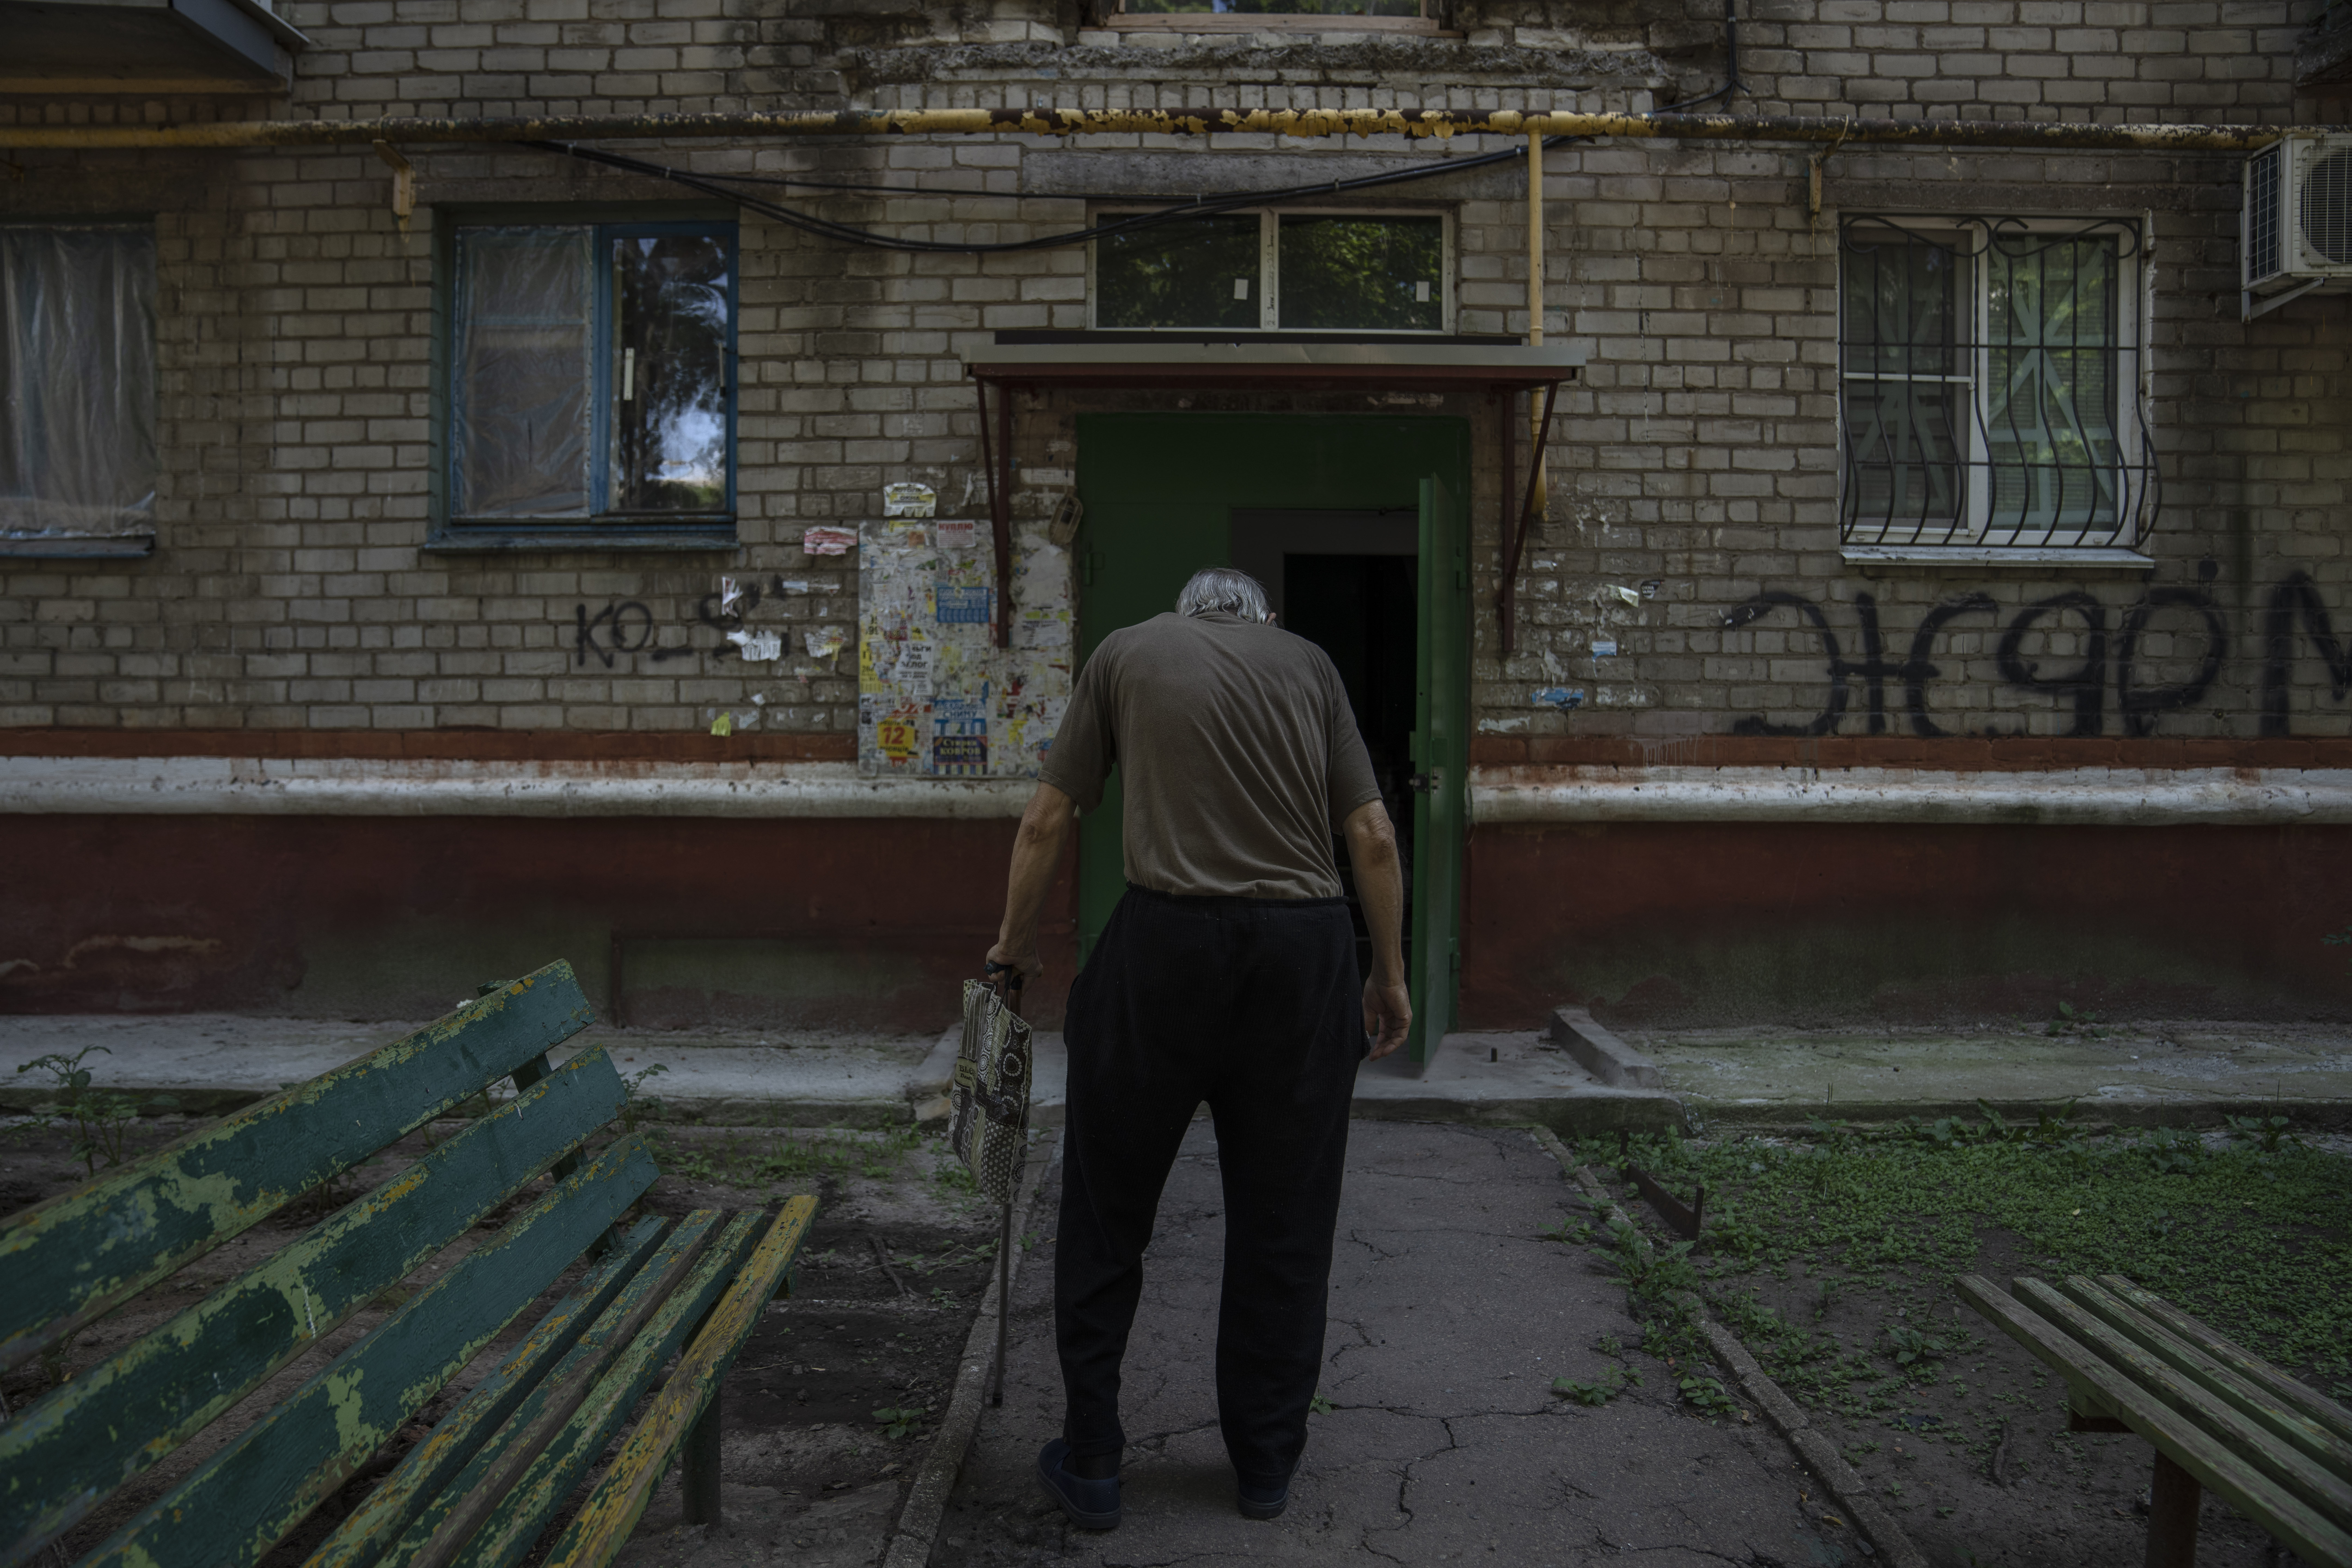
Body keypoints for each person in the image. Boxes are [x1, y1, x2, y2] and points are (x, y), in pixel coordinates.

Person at [985, 564, 1412, 1531]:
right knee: (1285, 1222)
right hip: (1303, 959)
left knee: (1107, 1208)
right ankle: (1264, 1468)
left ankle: (1092, 1460)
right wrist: (1385, 976)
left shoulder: (1127, 651)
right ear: (1262, 615)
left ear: (1186, 611)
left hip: (1163, 951)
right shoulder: (1309, 665)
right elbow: (1375, 838)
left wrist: (1012, 952)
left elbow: (1048, 815)